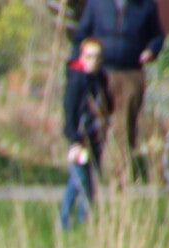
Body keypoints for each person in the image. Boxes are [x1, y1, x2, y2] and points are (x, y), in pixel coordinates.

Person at [71, 0, 164, 185]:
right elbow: (81, 35)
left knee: (124, 126)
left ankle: (119, 179)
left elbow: (157, 36)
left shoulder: (145, 6)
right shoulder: (96, 4)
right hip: (100, 72)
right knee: (96, 124)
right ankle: (92, 175)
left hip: (131, 72)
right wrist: (77, 67)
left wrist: (151, 50)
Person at [60, 39, 113, 230]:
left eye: (97, 57)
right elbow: (69, 115)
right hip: (79, 139)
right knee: (83, 183)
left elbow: (108, 105)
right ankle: (72, 223)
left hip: (95, 137)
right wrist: (74, 140)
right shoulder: (76, 81)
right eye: (89, 57)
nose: (94, 61)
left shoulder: (100, 79)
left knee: (79, 182)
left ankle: (72, 223)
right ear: (81, 57)